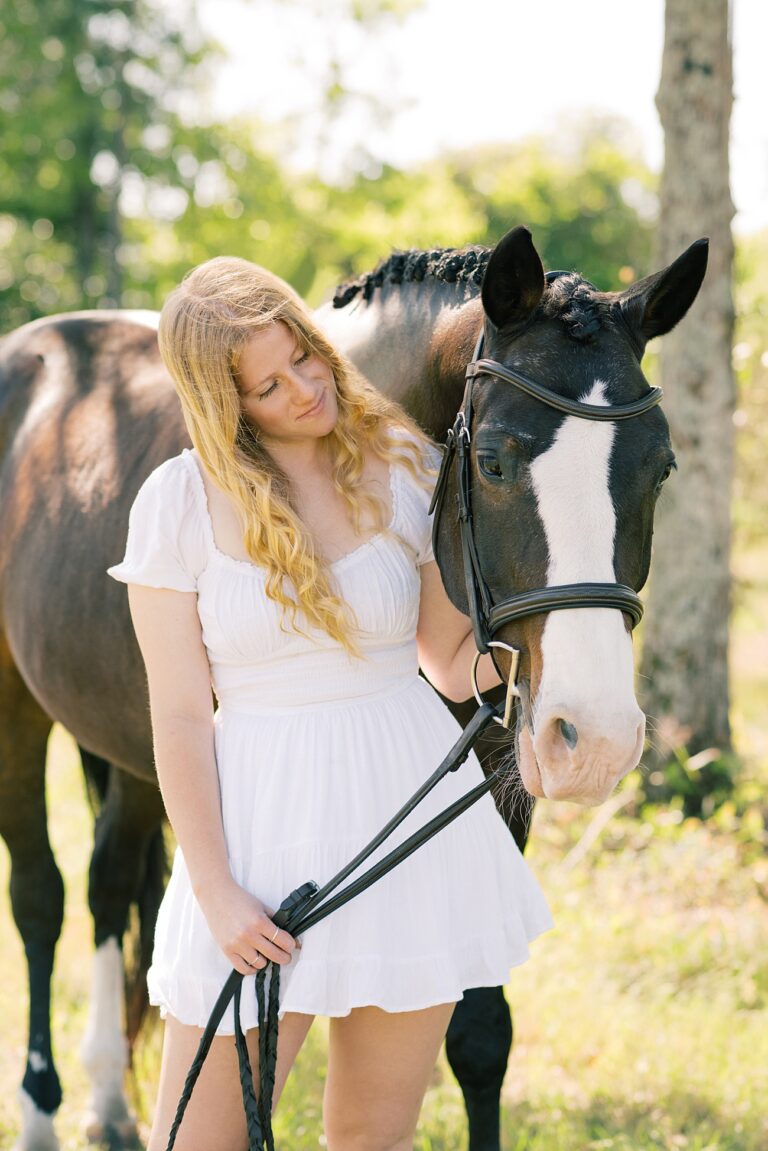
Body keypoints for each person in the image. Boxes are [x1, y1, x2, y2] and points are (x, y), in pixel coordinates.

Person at [107, 256, 552, 1151]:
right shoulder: (180, 504)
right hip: (257, 837)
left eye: (304, 357)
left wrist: (550, 679)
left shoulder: (404, 464)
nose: (306, 389)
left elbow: (449, 658)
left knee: (369, 1140)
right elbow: (182, 717)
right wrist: (218, 890)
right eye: (269, 386)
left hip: (403, 826)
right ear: (227, 405)